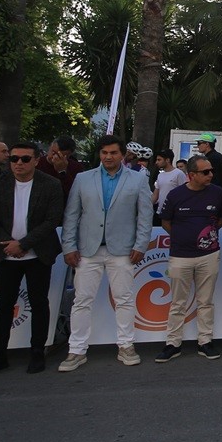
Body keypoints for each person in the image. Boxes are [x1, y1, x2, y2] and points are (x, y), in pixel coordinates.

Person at [58, 135, 154, 372]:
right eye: (104, 153)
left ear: (123, 155)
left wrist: (141, 245)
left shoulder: (138, 179)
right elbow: (71, 214)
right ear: (99, 154)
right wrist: (69, 246)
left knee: (124, 299)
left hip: (122, 250)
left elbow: (145, 215)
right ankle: (77, 350)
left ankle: (126, 345)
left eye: (113, 153)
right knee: (82, 301)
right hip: (87, 250)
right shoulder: (83, 178)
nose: (108, 157)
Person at [0, 142, 64, 377]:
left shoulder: (51, 184)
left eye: (25, 159)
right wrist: (9, 244)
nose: (18, 163)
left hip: (39, 254)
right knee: (4, 305)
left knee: (39, 303)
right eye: (14, 159)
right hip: (5, 254)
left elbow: (52, 219)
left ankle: (37, 351)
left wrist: (24, 244)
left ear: (36, 160)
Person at [155, 155, 222, 363]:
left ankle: (205, 341)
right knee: (178, 302)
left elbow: (221, 219)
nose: (211, 175)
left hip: (209, 255)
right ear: (192, 175)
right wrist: (183, 237)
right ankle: (173, 343)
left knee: (206, 301)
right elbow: (166, 222)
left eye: (211, 171)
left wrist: (205, 238)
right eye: (206, 172)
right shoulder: (176, 195)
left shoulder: (217, 192)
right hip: (180, 256)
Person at [36, 136, 84, 200]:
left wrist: (62, 172)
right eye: (53, 152)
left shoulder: (76, 167)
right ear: (50, 146)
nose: (54, 157)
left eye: (60, 155)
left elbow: (75, 194)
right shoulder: (36, 163)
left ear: (69, 155)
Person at [153, 149, 186, 216]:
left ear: (167, 160)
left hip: (174, 213)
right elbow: (155, 194)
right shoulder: (160, 175)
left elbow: (184, 193)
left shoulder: (179, 174)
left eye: (159, 160)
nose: (156, 162)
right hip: (160, 212)